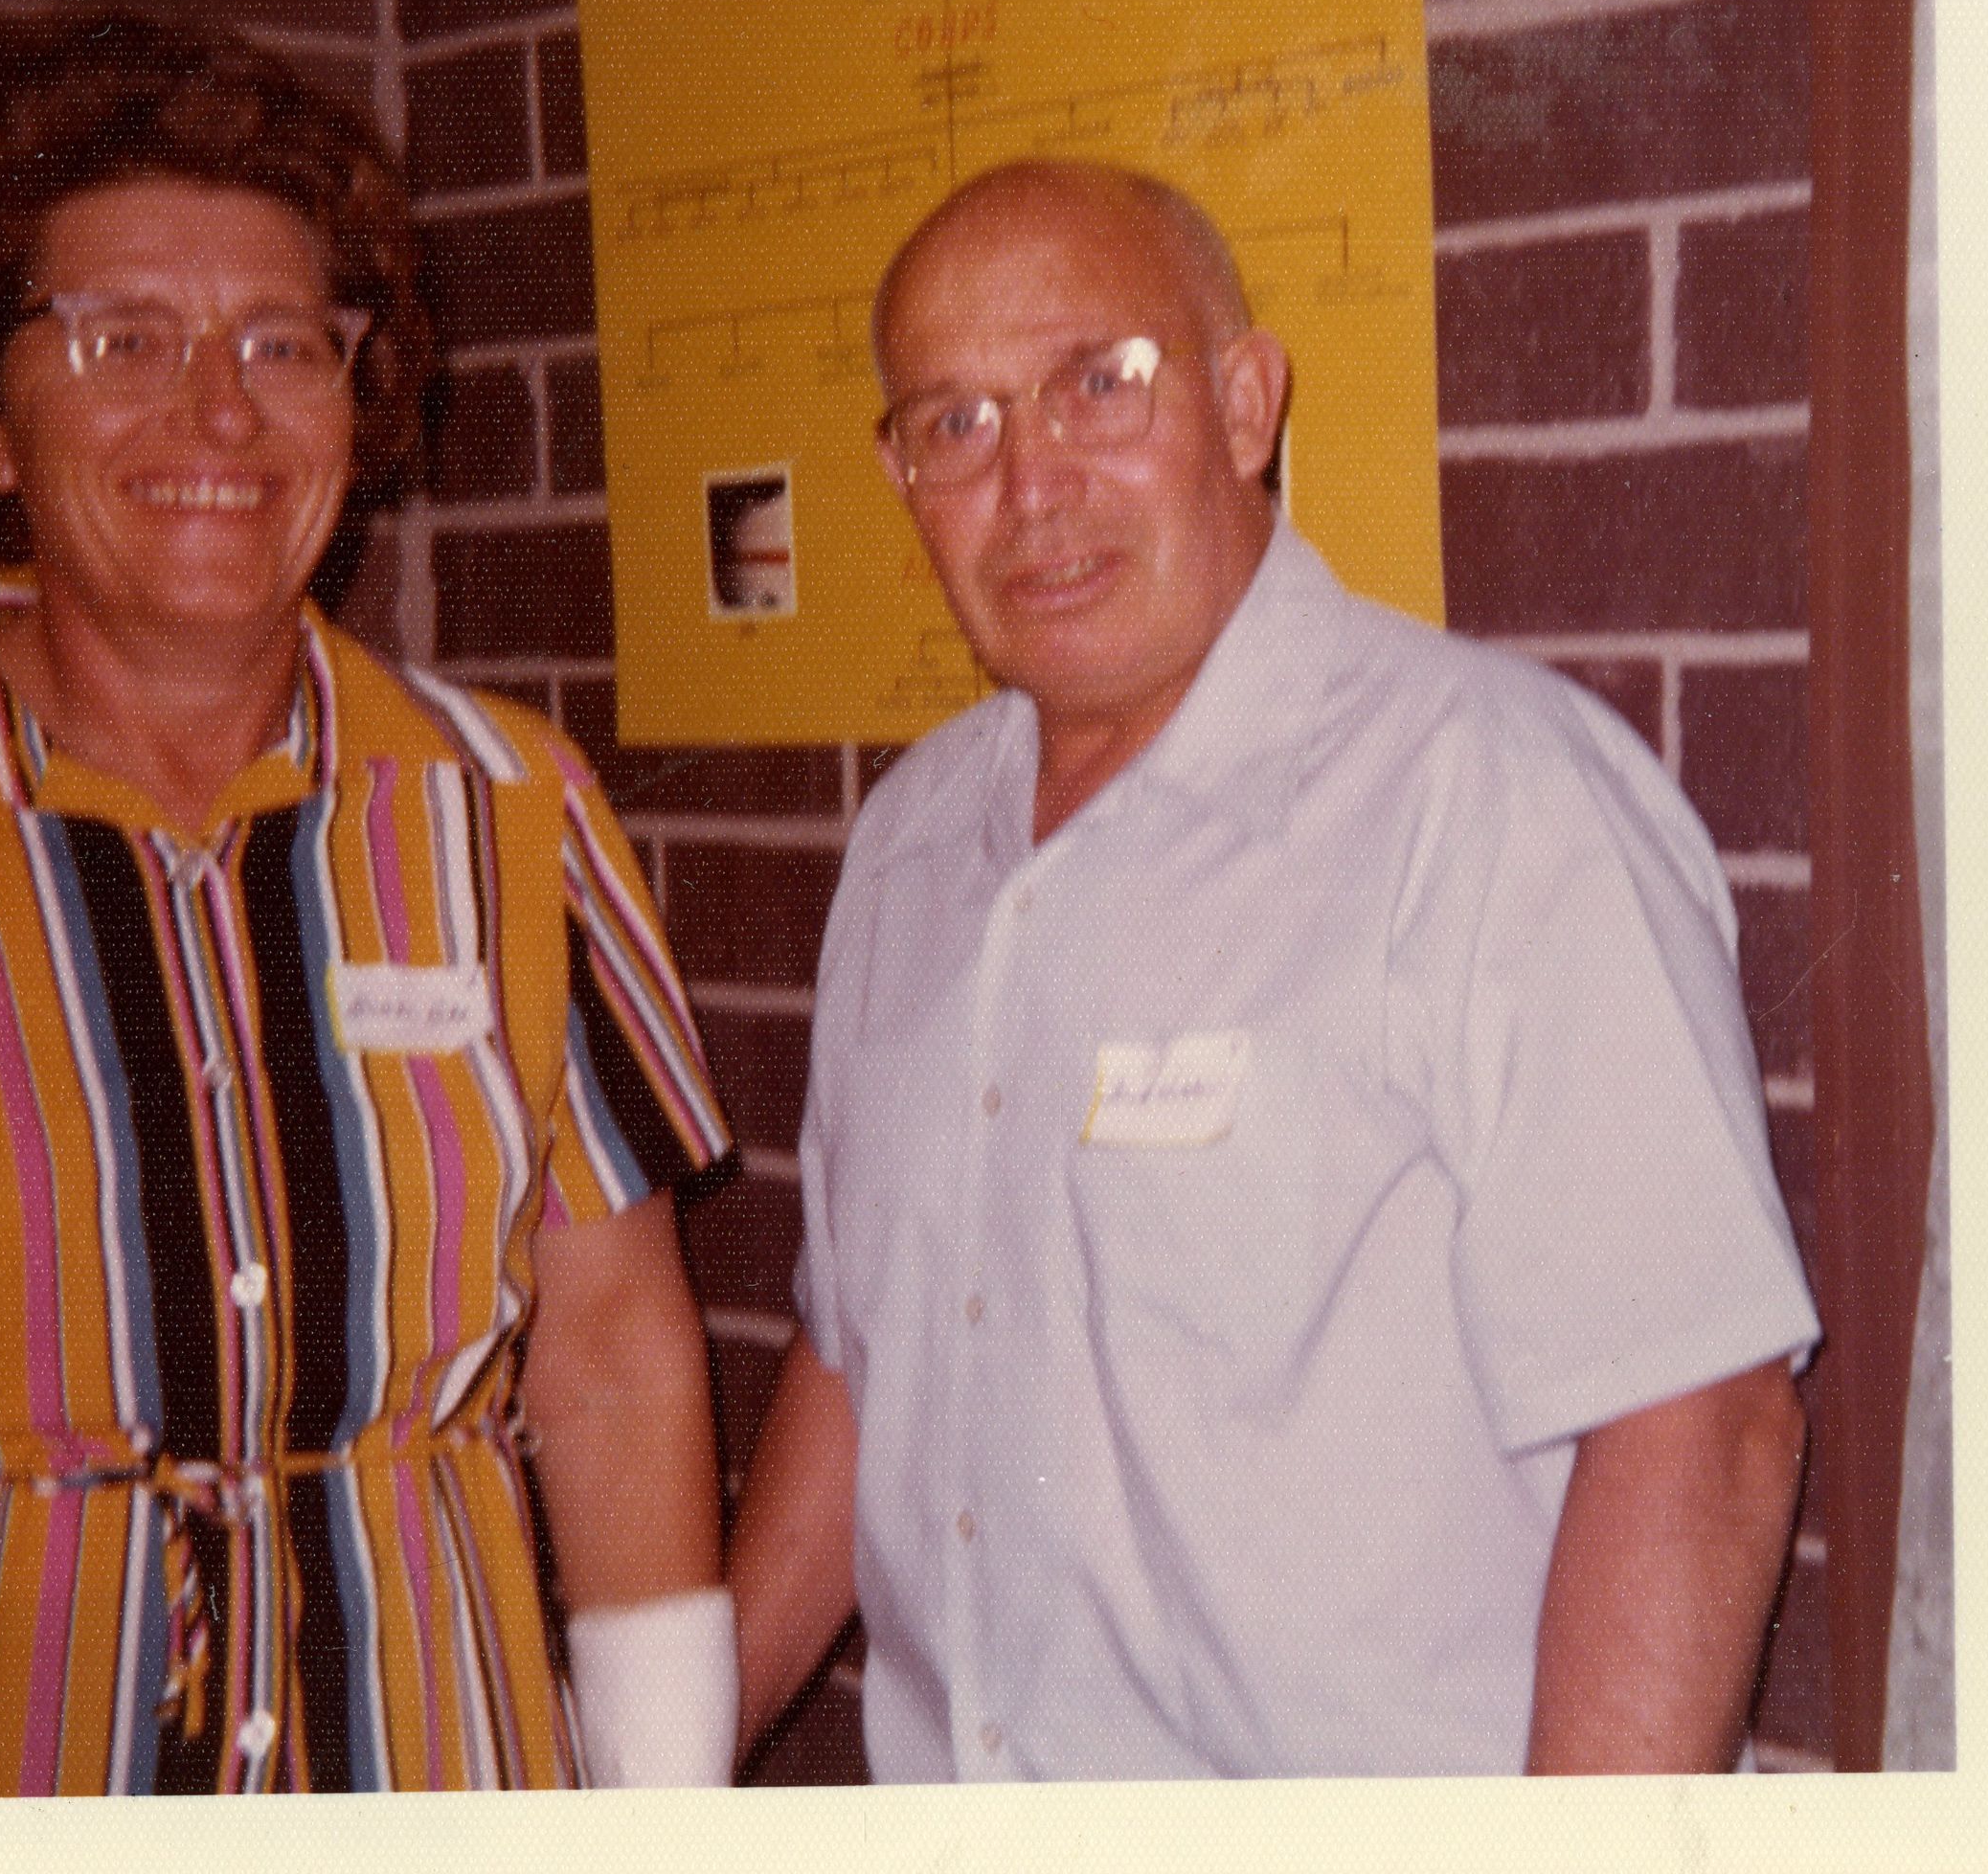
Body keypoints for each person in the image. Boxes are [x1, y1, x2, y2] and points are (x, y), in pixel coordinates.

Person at [728, 159, 1819, 1778]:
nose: (1032, 485)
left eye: (1100, 385)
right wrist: (651, 1778)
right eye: (957, 423)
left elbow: (1701, 1429)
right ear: (901, 478)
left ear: (1246, 405)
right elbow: (860, 1357)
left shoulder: (1488, 798)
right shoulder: (908, 848)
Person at [0, 15, 739, 1794]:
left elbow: (615, 1355)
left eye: (283, 344)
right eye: (124, 341)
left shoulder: (515, 804)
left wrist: (665, 1808)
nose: (221, 413)